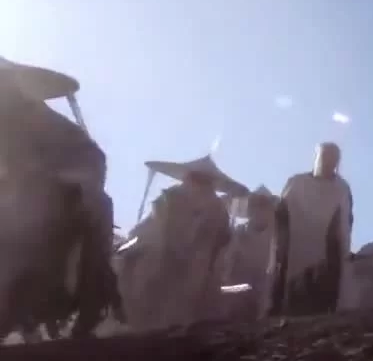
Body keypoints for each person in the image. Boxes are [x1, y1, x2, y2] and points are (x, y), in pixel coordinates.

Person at [0, 59, 118, 339]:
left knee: (94, 216)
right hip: (11, 202)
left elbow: (92, 158)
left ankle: (88, 306)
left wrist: (59, 179)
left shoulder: (45, 120)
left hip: (48, 200)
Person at [117, 155, 241, 331]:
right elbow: (146, 232)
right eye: (197, 178)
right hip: (160, 270)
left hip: (193, 275)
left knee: (176, 317)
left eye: (204, 180)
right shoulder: (170, 199)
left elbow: (222, 244)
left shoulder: (216, 210)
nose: (200, 184)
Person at [267, 142, 354, 317]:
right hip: (294, 251)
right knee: (287, 297)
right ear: (318, 157)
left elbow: (344, 223)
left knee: (318, 304)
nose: (329, 162)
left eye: (333, 158)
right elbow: (281, 216)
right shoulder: (297, 183)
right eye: (325, 156)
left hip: (324, 256)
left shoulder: (341, 188)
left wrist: (339, 251)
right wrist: (280, 247)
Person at [221, 185, 277, 321]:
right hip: (236, 294)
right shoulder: (238, 233)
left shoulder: (276, 238)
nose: (259, 209)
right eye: (255, 205)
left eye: (264, 205)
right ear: (250, 208)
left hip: (264, 297)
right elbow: (226, 265)